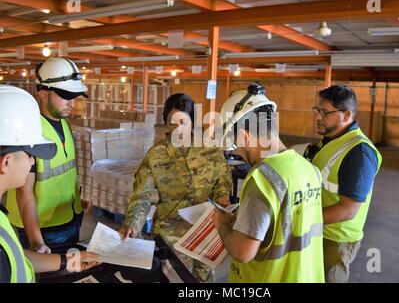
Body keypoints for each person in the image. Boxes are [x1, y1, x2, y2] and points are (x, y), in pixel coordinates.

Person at [213, 82, 325, 283]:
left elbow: (243, 252)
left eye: (235, 143)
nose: (236, 150)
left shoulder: (262, 177)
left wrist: (222, 226)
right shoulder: (309, 168)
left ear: (245, 135)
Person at [118, 93, 232, 282]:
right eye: (173, 123)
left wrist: (222, 196)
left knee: (204, 280)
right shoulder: (156, 155)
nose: (178, 129)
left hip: (205, 232)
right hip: (172, 239)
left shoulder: (210, 149)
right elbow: (142, 197)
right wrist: (132, 223)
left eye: (183, 122)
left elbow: (222, 179)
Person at [0, 86, 98, 283]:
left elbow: (16, 257)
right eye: (30, 155)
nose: (32, 162)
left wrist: (67, 261)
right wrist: (38, 241)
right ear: (6, 162)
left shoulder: (2, 219)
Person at [6, 57, 88, 253]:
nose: (72, 103)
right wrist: (36, 241)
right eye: (66, 96)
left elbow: (63, 170)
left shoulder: (64, 123)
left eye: (74, 96)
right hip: (43, 229)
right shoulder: (29, 131)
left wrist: (75, 198)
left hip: (69, 217)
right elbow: (24, 193)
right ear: (43, 94)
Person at [306, 84, 382, 283]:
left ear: (346, 115)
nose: (318, 117)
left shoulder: (359, 152)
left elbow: (348, 210)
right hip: (319, 229)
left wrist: (301, 220)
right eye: (317, 110)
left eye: (325, 112)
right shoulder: (330, 140)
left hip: (336, 239)